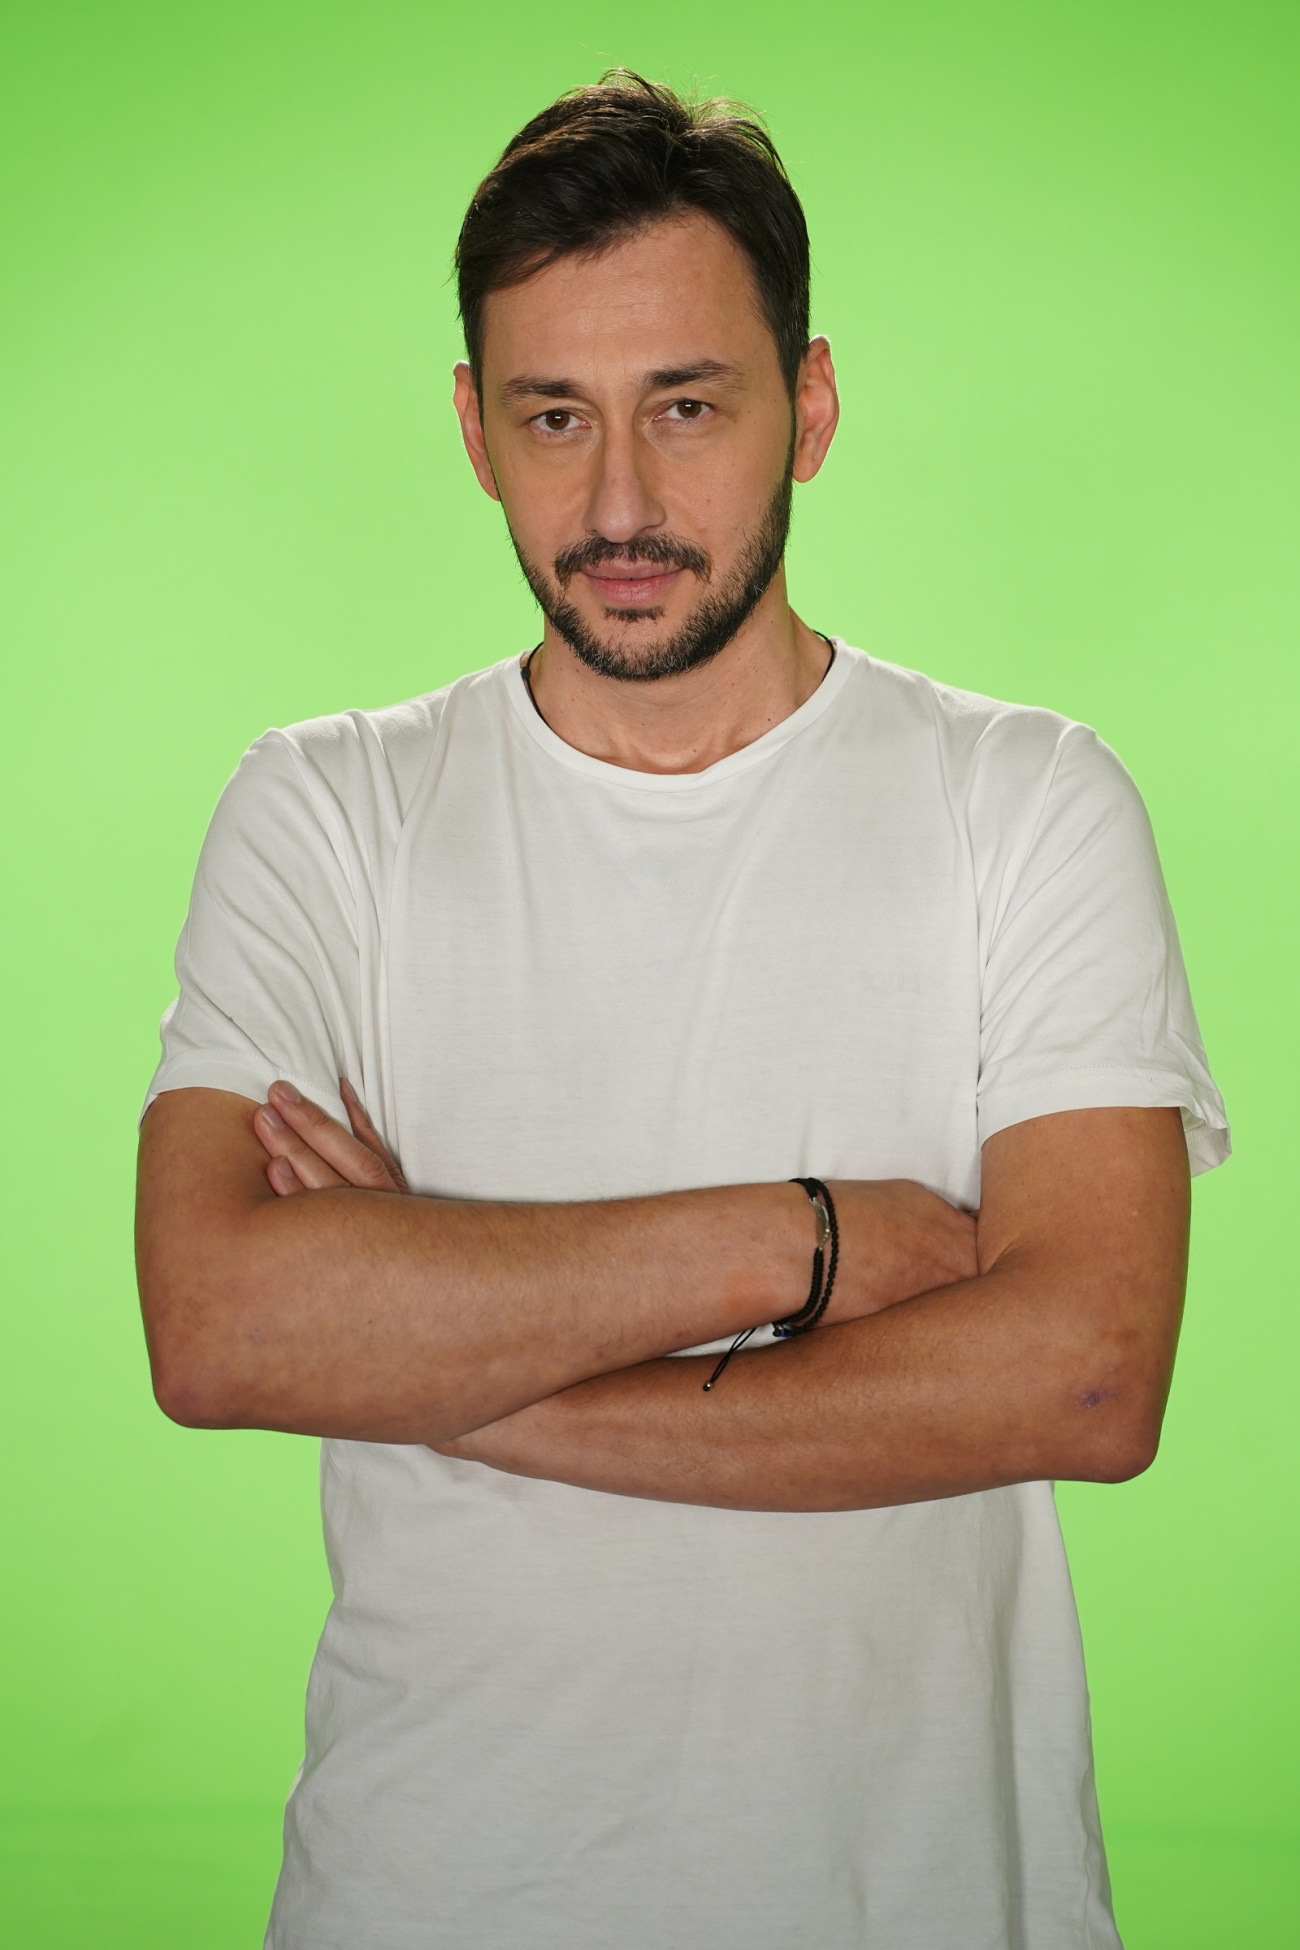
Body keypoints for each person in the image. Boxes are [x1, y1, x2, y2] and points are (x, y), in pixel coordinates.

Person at [136, 70, 1228, 1950]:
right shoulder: (328, 809)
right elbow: (224, 1329)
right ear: (475, 429)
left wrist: (455, 1365)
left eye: (690, 406)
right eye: (555, 416)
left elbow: (1085, 1375)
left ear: (812, 404)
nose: (620, 503)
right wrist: (804, 1240)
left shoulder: (1026, 802)